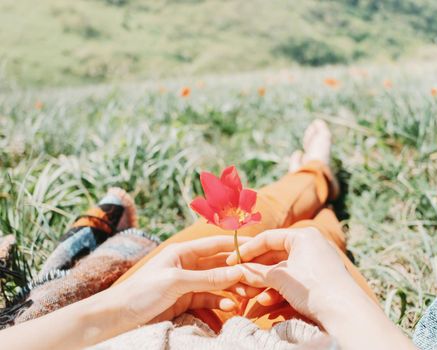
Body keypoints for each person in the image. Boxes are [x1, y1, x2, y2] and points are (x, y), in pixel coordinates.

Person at [0, 120, 414, 349]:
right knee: (302, 235)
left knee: (281, 232)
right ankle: (314, 177)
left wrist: (120, 308)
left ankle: (313, 181)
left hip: (128, 332)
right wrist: (340, 303)